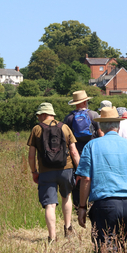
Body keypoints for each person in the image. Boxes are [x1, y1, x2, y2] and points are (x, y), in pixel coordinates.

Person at [76, 107, 127, 253]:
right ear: (118, 125)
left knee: (104, 251)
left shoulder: (91, 146)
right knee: (122, 250)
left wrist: (82, 207)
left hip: (105, 204)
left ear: (101, 126)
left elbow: (86, 179)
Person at [27, 103, 80, 243]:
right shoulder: (64, 127)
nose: (38, 118)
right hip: (66, 169)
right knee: (66, 196)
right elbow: (74, 152)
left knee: (50, 205)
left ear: (43, 114)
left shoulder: (36, 129)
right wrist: (80, 170)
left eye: (39, 115)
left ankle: (52, 237)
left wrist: (34, 172)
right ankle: (68, 228)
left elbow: (31, 155)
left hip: (46, 171)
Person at [63, 90, 103, 208]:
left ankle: (77, 206)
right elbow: (101, 134)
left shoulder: (69, 118)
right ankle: (92, 205)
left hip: (77, 154)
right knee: (94, 178)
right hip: (93, 152)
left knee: (78, 178)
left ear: (75, 103)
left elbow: (66, 139)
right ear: (85, 101)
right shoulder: (94, 115)